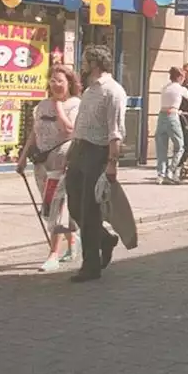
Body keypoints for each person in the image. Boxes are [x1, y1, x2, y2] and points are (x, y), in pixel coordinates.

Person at [62, 44, 127, 282]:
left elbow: (115, 131)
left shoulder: (114, 91)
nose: (82, 64)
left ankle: (91, 266)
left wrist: (112, 163)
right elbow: (80, 124)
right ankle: (105, 239)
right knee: (74, 207)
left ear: (95, 64)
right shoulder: (89, 90)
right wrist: (70, 154)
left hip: (97, 153)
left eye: (85, 61)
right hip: (79, 150)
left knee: (89, 210)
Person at [16, 64, 82, 272]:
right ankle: (72, 242)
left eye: (60, 81)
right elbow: (34, 133)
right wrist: (23, 156)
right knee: (54, 205)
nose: (55, 85)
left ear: (70, 83)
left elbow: (70, 130)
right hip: (41, 161)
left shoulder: (75, 104)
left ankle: (53, 254)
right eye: (52, 80)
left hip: (62, 160)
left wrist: (59, 108)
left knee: (53, 206)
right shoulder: (41, 105)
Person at [156, 67, 188, 184]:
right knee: (180, 146)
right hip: (172, 117)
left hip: (161, 116)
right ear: (180, 77)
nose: (184, 80)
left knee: (161, 148)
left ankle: (160, 175)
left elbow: (169, 102)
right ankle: (171, 171)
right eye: (183, 78)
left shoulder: (165, 88)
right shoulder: (181, 89)